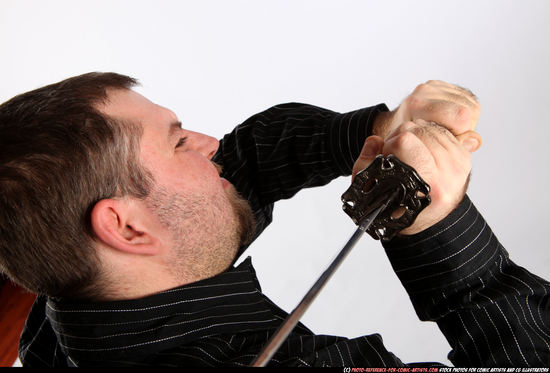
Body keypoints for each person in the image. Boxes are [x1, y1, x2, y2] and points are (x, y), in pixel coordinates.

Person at [0, 73, 547, 367]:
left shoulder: (73, 295)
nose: (210, 144)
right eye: (179, 143)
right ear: (126, 227)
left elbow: (252, 155)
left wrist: (382, 129)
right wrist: (438, 232)